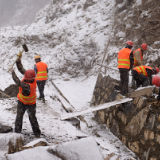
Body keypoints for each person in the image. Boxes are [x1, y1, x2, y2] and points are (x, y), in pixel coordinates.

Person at [11, 58, 41, 138]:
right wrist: (18, 62)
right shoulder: (31, 77)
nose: (25, 76)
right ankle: (17, 133)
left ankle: (37, 134)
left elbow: (17, 81)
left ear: (29, 78)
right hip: (25, 102)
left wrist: (13, 72)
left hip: (29, 104)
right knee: (21, 117)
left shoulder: (28, 86)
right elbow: (22, 70)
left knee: (30, 118)